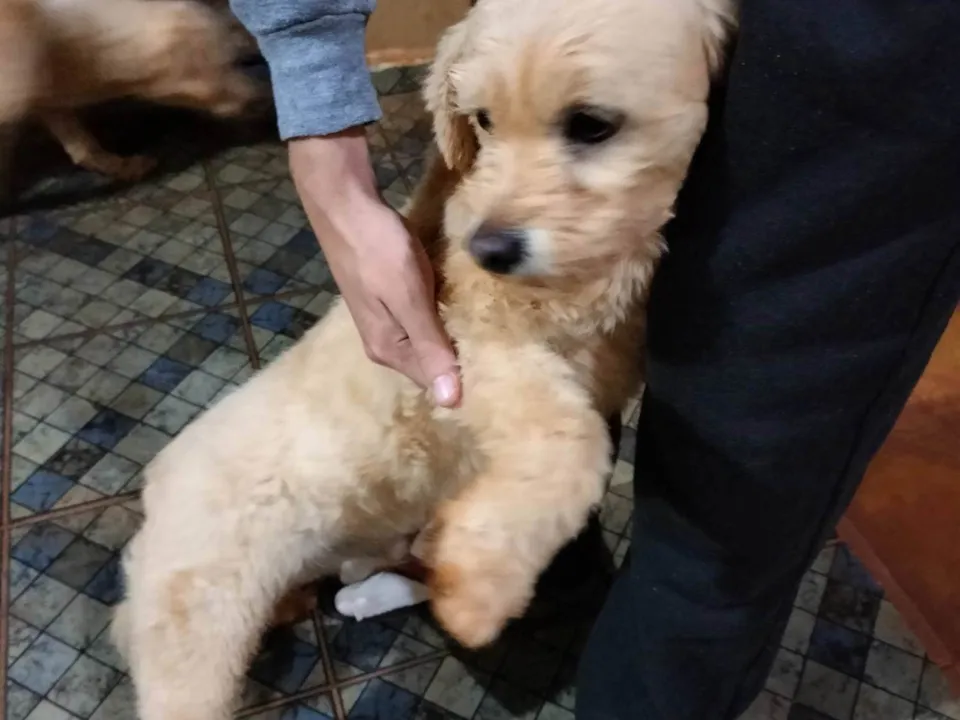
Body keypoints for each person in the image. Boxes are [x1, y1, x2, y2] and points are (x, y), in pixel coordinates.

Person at [229, 0, 960, 717]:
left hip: (865, 51)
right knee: (588, 418)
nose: (495, 222)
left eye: (590, 126)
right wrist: (320, 118)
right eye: (484, 124)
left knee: (719, 519)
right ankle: (559, 577)